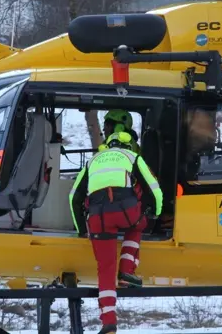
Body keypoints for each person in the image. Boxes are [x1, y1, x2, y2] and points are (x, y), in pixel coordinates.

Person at [69, 131, 163, 334]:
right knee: (138, 225)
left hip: (97, 218)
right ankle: (127, 271)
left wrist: (81, 230)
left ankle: (109, 323)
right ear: (128, 146)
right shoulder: (132, 157)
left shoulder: (92, 161)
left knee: (105, 268)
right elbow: (154, 189)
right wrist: (154, 216)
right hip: (126, 212)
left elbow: (73, 198)